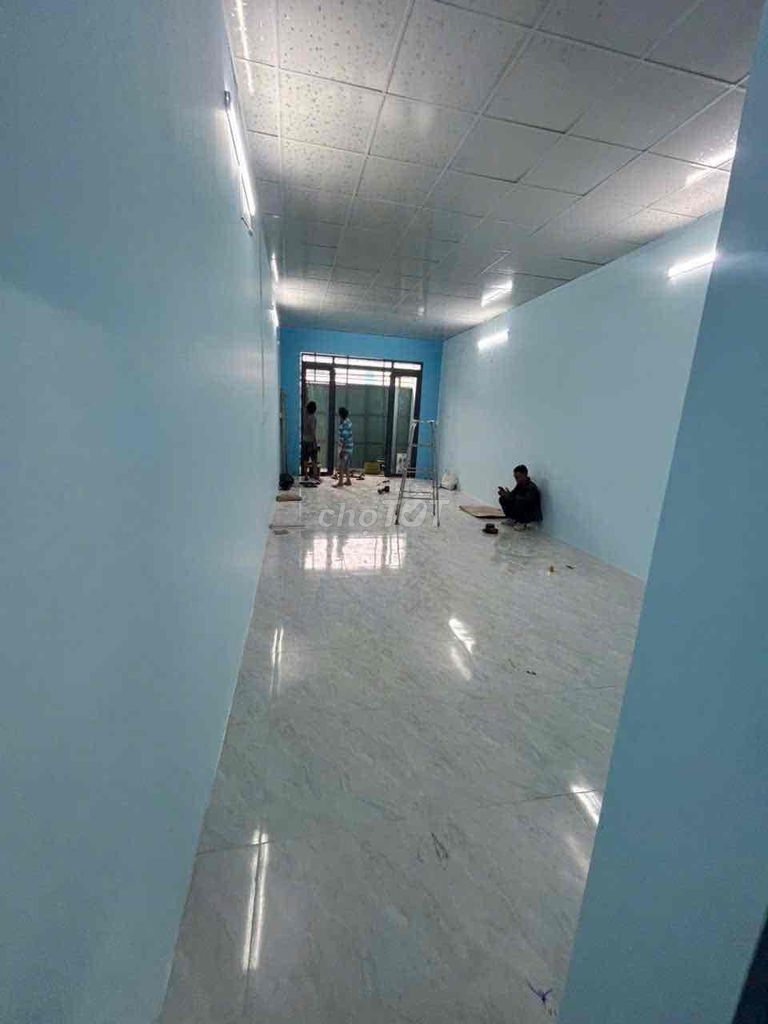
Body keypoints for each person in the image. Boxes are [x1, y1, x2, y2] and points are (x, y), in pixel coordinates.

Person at [334, 406, 353, 488]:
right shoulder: (348, 421)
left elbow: (344, 438)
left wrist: (341, 450)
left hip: (345, 447)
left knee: (341, 465)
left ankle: (340, 482)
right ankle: (348, 480)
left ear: (340, 415)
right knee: (346, 465)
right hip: (350, 446)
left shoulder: (344, 424)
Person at [301, 400, 319, 481]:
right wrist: (315, 442)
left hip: (304, 440)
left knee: (305, 458)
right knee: (314, 459)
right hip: (311, 441)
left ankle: (306, 475)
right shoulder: (313, 418)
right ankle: (315, 475)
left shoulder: (305, 417)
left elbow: (305, 408)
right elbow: (312, 430)